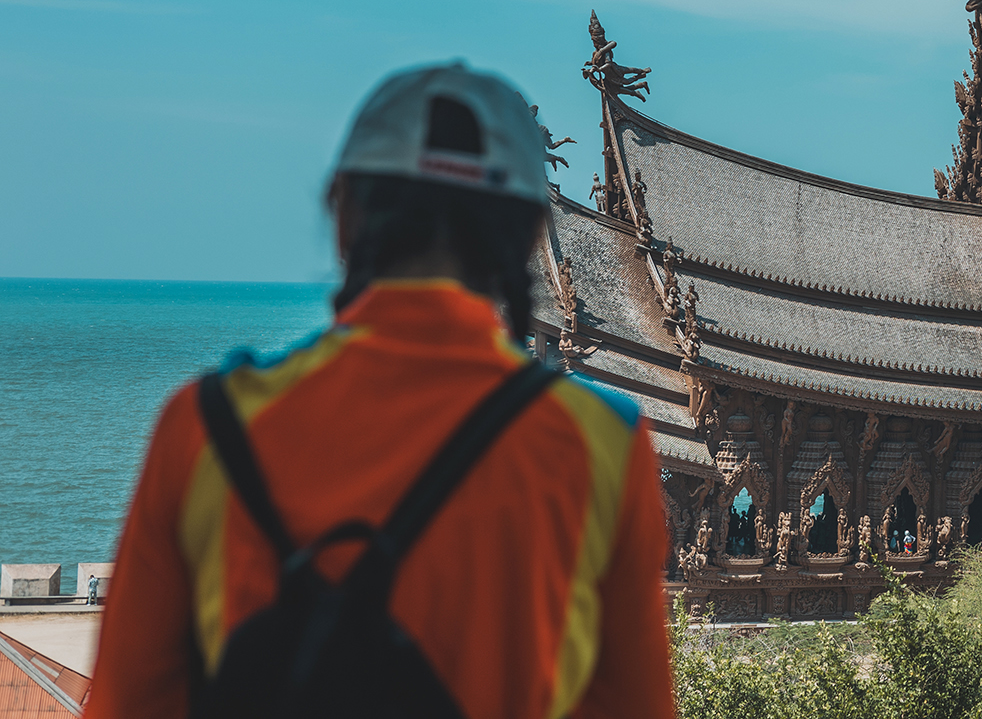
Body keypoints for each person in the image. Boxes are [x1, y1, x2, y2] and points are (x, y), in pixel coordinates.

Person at [85, 62, 674, 719]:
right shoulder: (601, 446)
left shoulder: (206, 429)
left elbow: (123, 702)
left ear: (342, 214)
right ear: (535, 233)